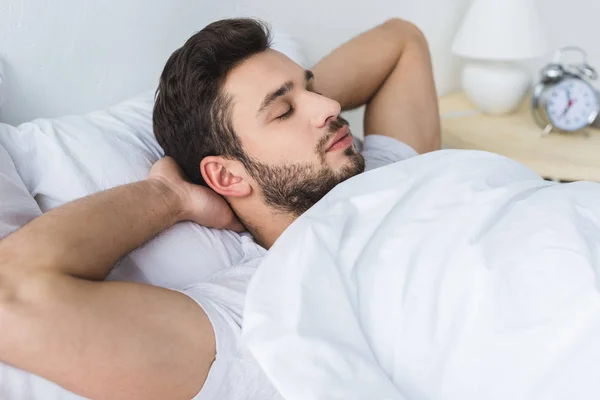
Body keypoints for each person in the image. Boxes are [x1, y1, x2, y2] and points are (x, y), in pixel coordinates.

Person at [0, 17, 440, 400]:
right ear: (227, 177)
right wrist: (168, 196)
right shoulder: (264, 314)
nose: (332, 106)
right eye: (283, 110)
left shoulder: (377, 171)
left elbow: (400, 41)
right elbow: (12, 295)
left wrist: (293, 107)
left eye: (314, 88)